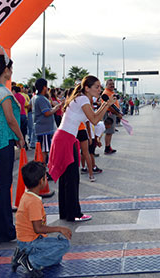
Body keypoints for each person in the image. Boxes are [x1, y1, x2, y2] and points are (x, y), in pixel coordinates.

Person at [48, 75, 116, 222]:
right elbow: (95, 119)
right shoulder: (83, 99)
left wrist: (104, 105)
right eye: (97, 87)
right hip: (66, 138)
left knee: (66, 178)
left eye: (100, 87)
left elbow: (91, 118)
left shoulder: (80, 97)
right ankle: (74, 213)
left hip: (64, 137)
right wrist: (107, 104)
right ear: (87, 88)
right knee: (72, 178)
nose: (100, 89)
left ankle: (66, 213)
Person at [0, 50, 25, 242]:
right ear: (5, 70)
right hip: (3, 141)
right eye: (11, 68)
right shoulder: (3, 91)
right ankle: (5, 230)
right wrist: (21, 137)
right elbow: (10, 119)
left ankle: (3, 228)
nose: (12, 72)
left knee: (2, 184)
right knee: (4, 185)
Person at [12, 161, 71, 276]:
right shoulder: (33, 202)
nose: (46, 178)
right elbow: (38, 228)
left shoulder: (28, 195)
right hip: (31, 242)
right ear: (41, 181)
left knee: (56, 258)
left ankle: (21, 254)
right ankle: (29, 261)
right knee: (64, 245)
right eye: (45, 176)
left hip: (28, 241)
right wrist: (59, 228)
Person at [32, 78, 61, 164]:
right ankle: (43, 172)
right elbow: (47, 113)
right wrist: (56, 108)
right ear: (44, 87)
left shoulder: (39, 98)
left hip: (44, 129)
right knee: (44, 151)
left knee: (44, 150)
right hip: (43, 130)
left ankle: (43, 171)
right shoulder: (40, 99)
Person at [101, 79, 121, 154]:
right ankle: (107, 148)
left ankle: (108, 146)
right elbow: (110, 106)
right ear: (106, 85)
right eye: (110, 84)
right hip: (109, 114)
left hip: (112, 114)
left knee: (110, 132)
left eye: (113, 84)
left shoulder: (111, 92)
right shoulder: (106, 93)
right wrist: (117, 113)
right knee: (109, 132)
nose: (112, 85)